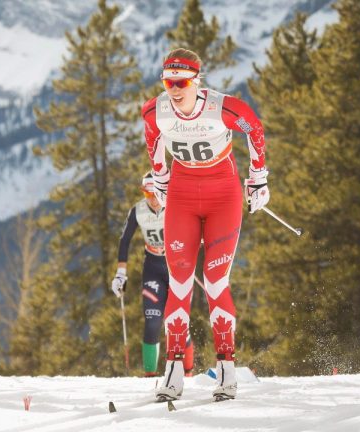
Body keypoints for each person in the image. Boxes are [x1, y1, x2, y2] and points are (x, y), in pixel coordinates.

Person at [142, 48, 269, 402]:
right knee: (179, 282)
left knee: (215, 281)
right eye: (169, 82)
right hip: (182, 198)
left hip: (222, 197)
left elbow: (254, 128)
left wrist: (258, 177)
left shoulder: (222, 107)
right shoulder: (156, 110)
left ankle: (227, 371)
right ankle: (172, 374)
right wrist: (160, 177)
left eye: (181, 82)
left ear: (197, 80)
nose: (174, 89)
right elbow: (152, 138)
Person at [110, 173, 194, 378]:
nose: (152, 198)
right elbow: (125, 241)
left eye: (156, 193)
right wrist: (121, 273)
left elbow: (193, 229)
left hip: (176, 267)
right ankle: (150, 376)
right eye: (147, 193)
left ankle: (188, 373)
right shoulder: (137, 211)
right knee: (153, 320)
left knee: (177, 322)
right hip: (153, 267)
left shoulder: (174, 205)